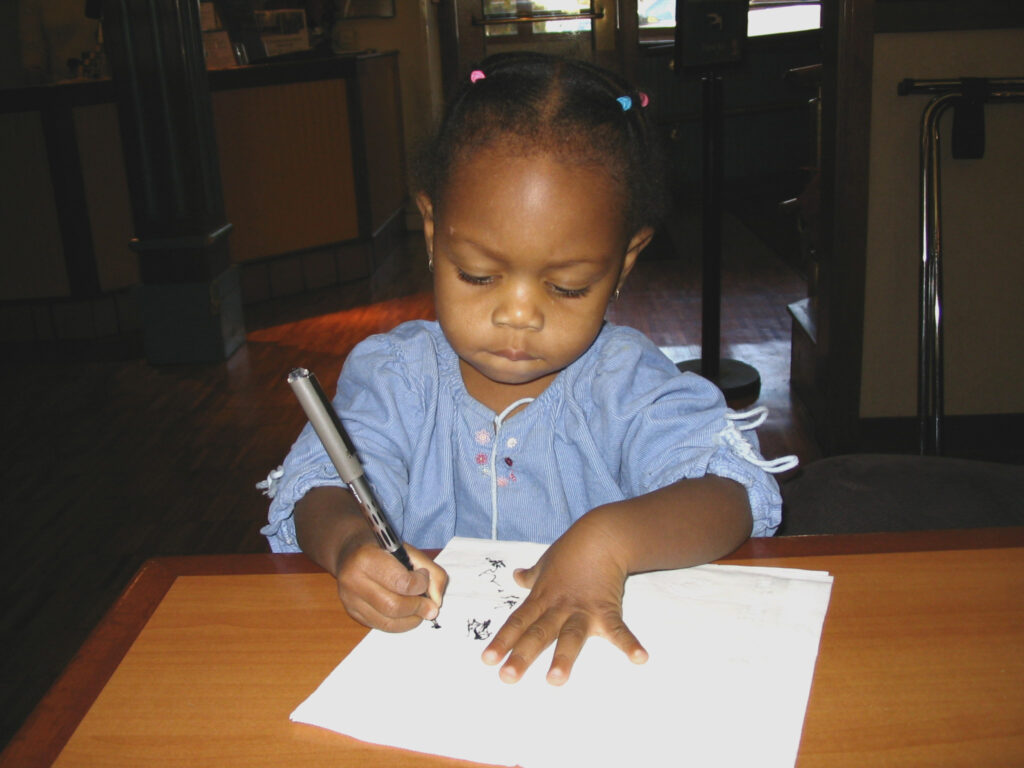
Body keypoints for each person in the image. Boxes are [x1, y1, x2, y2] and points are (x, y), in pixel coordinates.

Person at [260, 52, 795, 686]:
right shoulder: (398, 378)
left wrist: (610, 539)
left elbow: (729, 492)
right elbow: (318, 489)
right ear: (432, 232)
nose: (518, 315)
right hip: (424, 687)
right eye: (479, 275)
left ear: (623, 265)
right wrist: (351, 544)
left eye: (567, 287)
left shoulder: (622, 382)